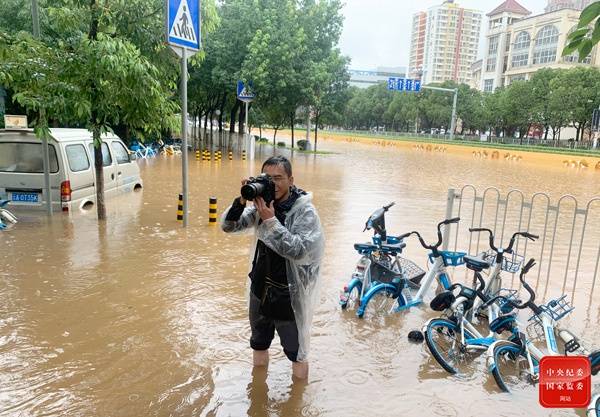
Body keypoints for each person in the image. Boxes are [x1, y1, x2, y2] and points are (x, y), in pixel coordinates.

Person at [221, 155, 324, 379]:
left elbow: (300, 251)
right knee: (258, 344)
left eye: (279, 178)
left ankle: (296, 403)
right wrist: (240, 201)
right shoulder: (262, 204)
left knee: (297, 354)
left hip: (289, 295)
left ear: (291, 180)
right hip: (260, 289)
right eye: (268, 179)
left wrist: (271, 221)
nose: (274, 184)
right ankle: (257, 393)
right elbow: (229, 226)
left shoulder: (304, 212)